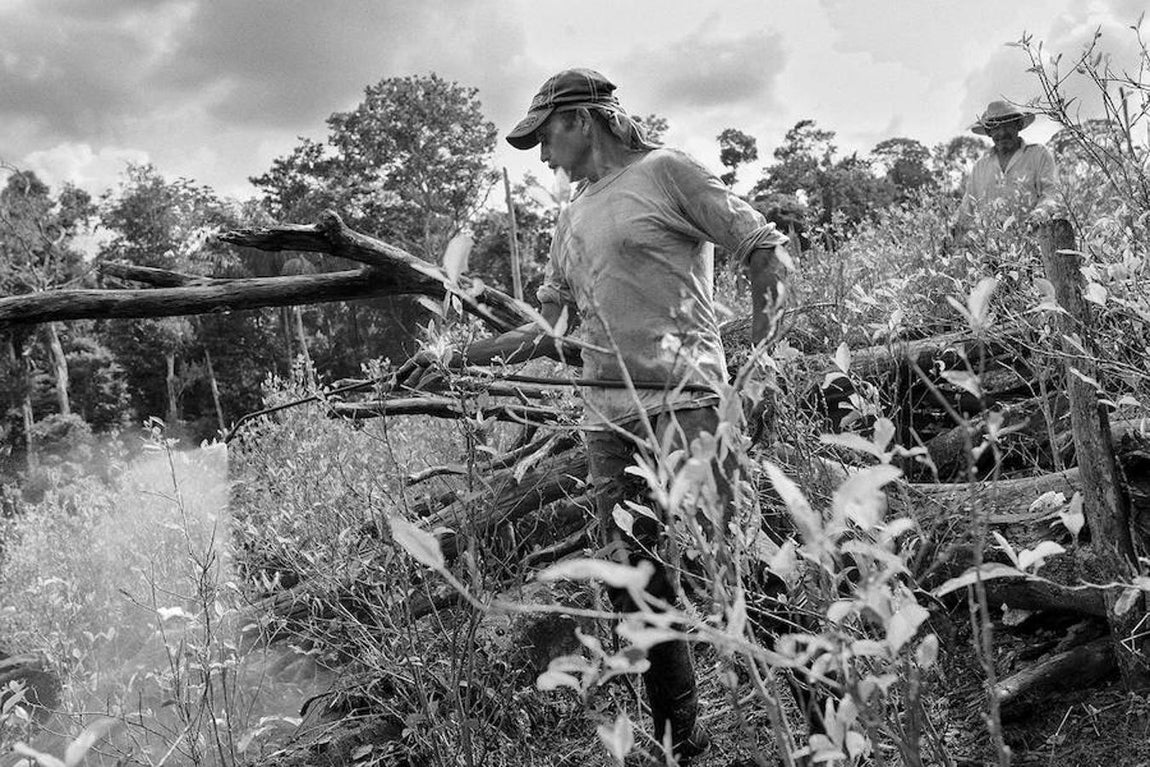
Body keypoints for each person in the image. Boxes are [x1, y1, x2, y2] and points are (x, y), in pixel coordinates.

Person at [401, 67, 792, 762]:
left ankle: (822, 719)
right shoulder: (571, 216)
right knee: (641, 587)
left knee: (741, 565)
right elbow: (550, 332)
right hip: (608, 425)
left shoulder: (668, 173)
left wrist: (760, 362)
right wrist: (458, 356)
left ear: (582, 119)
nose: (543, 156)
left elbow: (763, 246)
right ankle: (683, 739)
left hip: (689, 409)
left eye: (545, 137)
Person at [952, 100, 1060, 235]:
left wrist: (1038, 216)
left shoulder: (1038, 154)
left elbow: (1052, 194)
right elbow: (967, 208)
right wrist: (952, 233)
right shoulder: (980, 167)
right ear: (988, 132)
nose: (1002, 133)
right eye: (996, 127)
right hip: (992, 248)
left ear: (1018, 125)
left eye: (1007, 125)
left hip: (1032, 240)